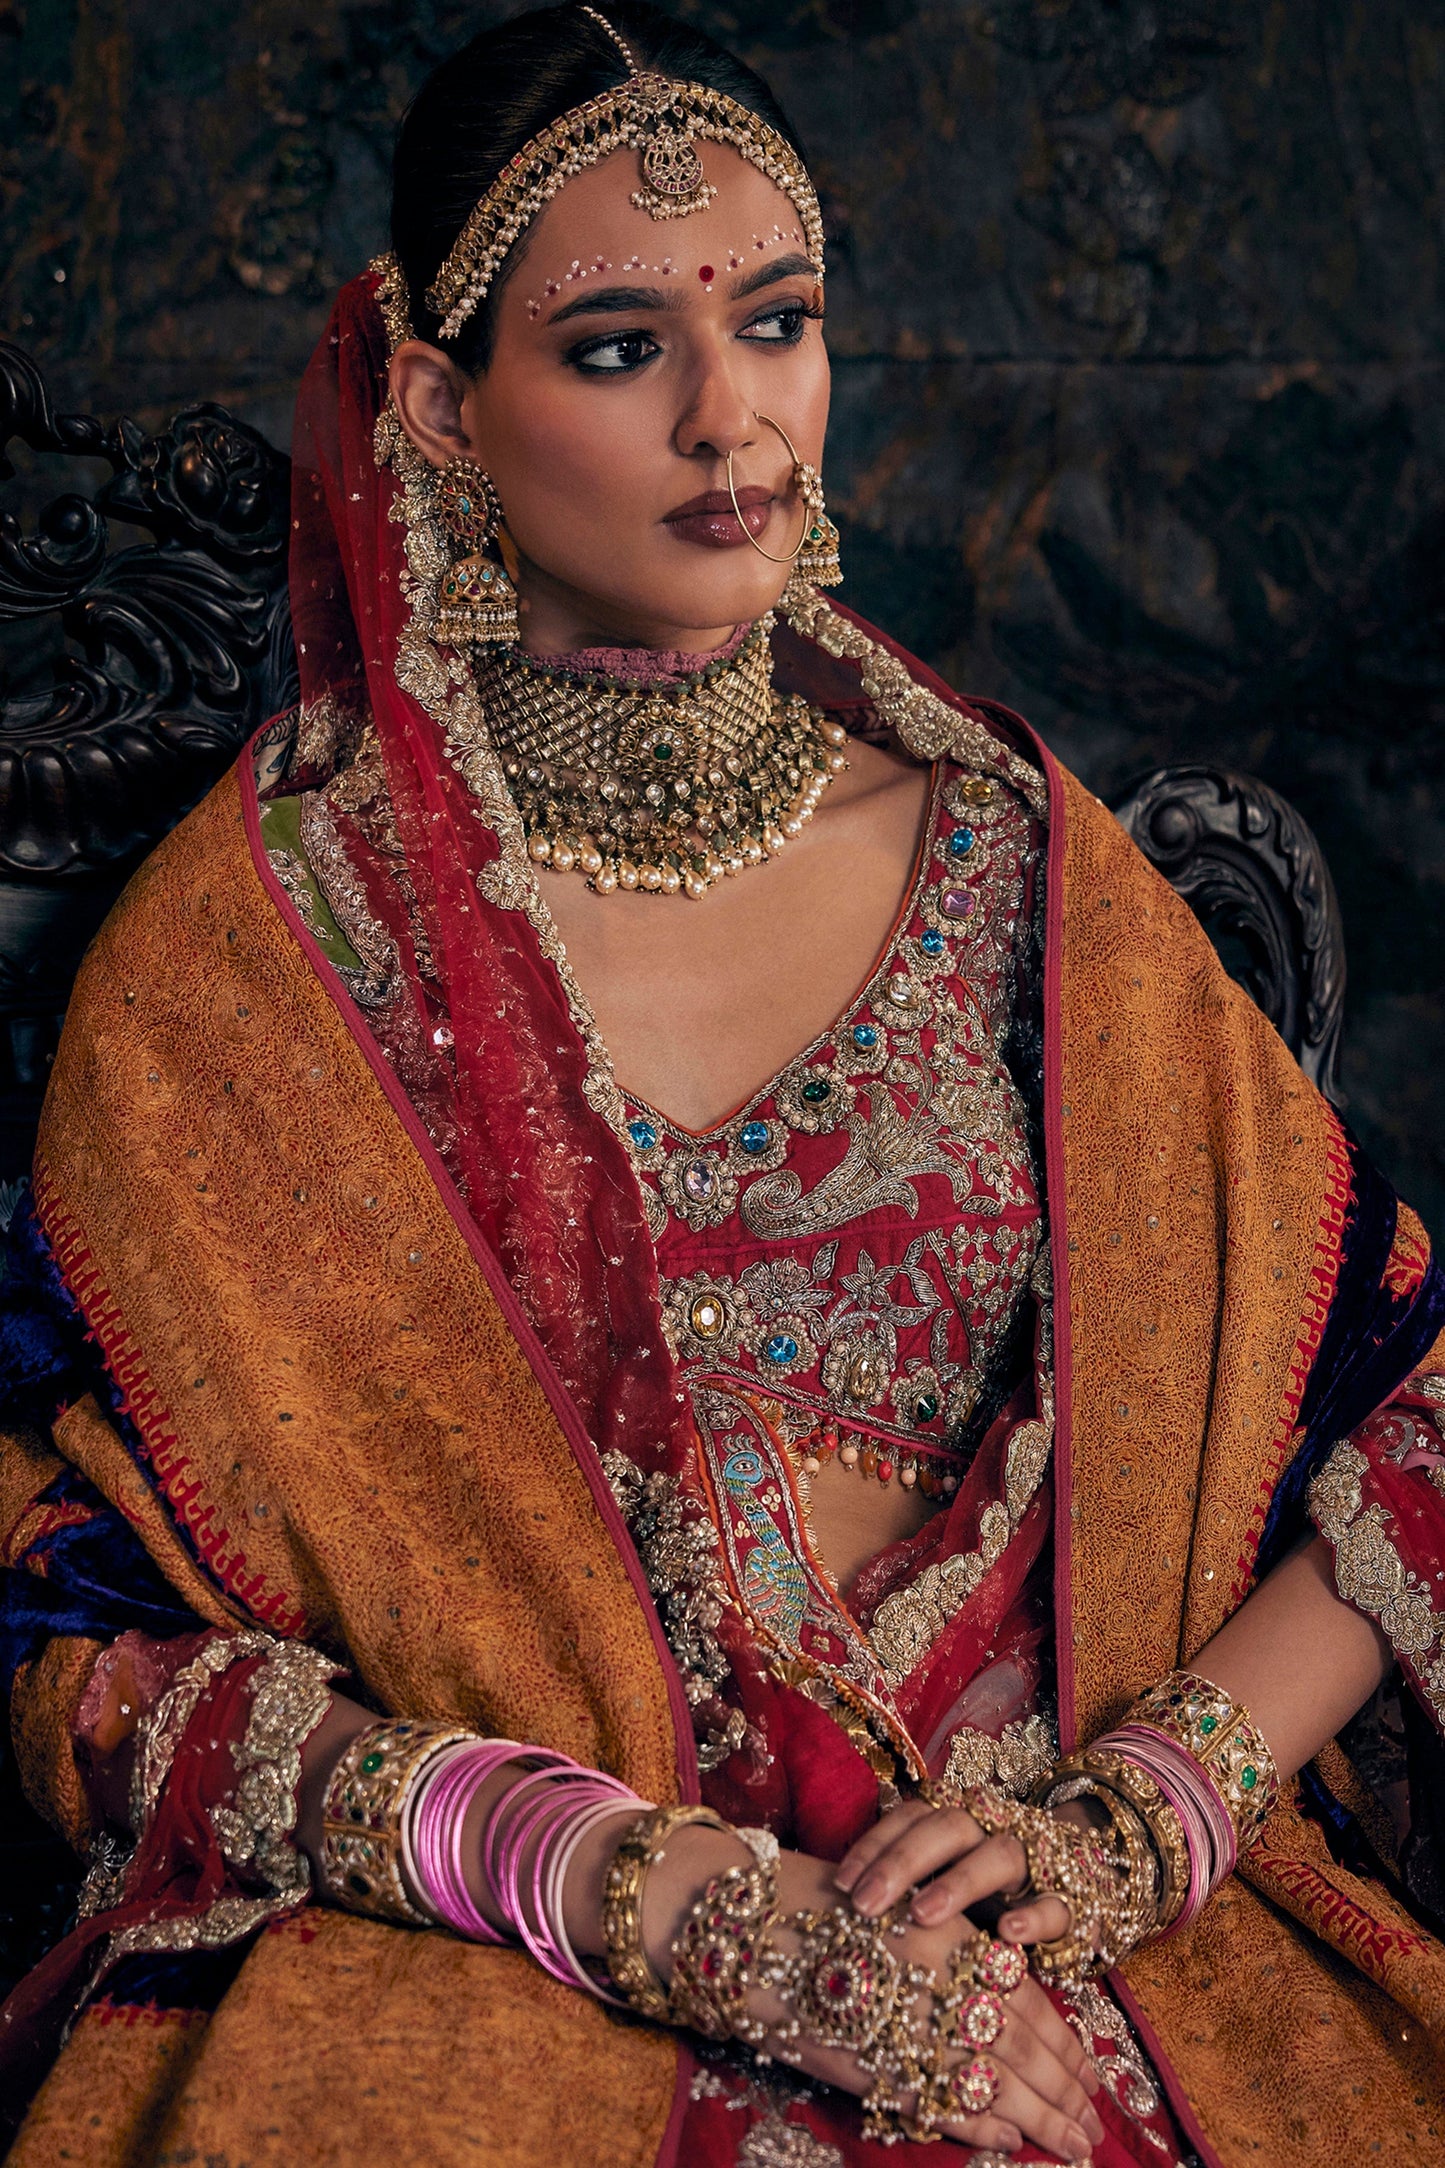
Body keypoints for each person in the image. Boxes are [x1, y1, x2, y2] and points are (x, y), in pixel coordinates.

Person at [2, 5, 1443, 2162]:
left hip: (1062, 1914)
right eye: (614, 349)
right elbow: (70, 1623)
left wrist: (1154, 1808)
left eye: (777, 322)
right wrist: (666, 1904)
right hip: (505, 1935)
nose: (732, 416)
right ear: (436, 406)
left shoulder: (1025, 870)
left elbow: (1412, 1401)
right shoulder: (266, 968)